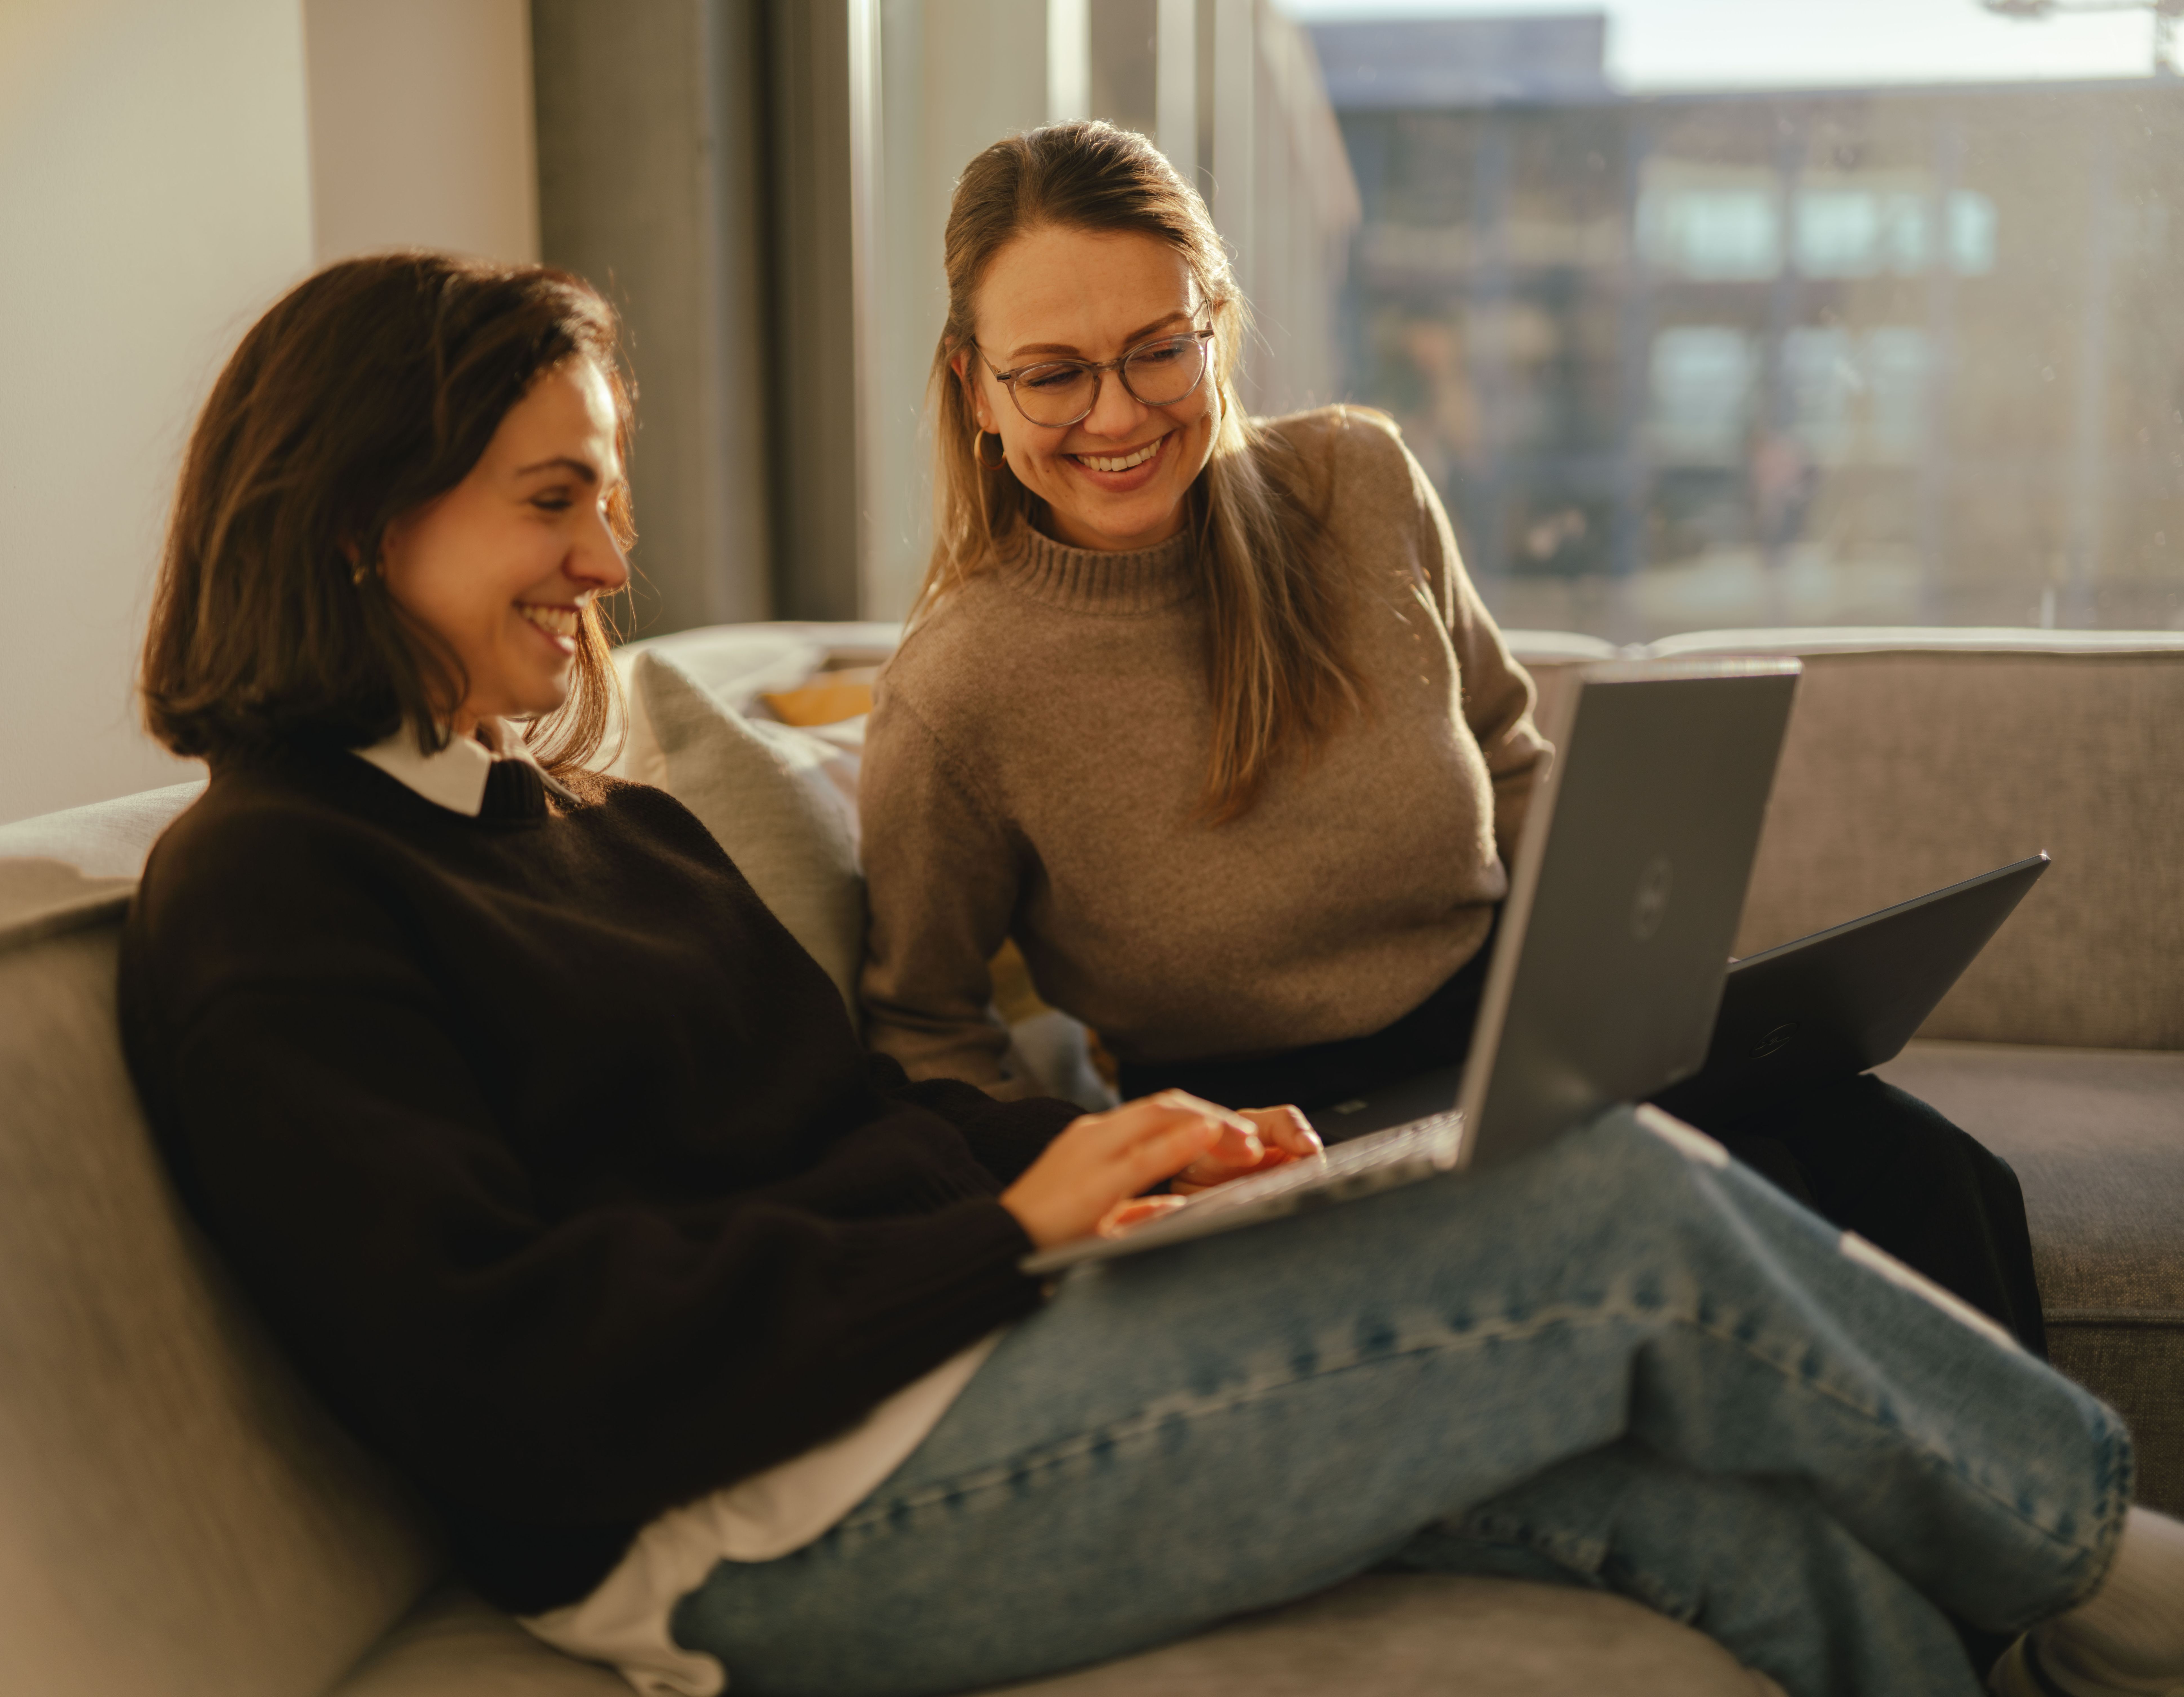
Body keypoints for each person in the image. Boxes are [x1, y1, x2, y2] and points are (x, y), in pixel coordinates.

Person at [116, 251, 2181, 1697]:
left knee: (1761, 1552)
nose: (608, 554)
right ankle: (2124, 1588)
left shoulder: (584, 826)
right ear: (358, 525)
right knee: (1605, 1203)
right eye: (551, 497)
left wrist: (1118, 1164)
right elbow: (502, 1364)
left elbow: (855, 1128)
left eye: (604, 489)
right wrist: (989, 1226)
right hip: (745, 1531)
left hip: (931, 1373)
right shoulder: (274, 899)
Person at [856, 120, 2047, 1358]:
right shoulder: (957, 690)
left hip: (1526, 1040)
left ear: (1213, 326)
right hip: (1290, 1139)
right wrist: (1097, 1184)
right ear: (974, 391)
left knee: (1937, 1180)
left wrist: (1637, 995)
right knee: (1761, 1228)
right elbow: (924, 1029)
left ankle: (2045, 1552)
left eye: (1159, 349)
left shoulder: (1353, 483)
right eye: (1051, 373)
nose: (1117, 413)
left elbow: (1509, 756)